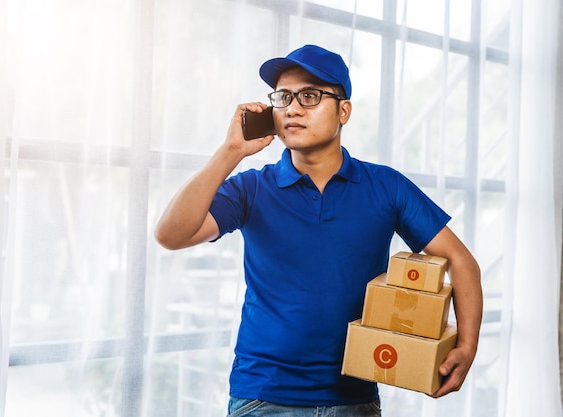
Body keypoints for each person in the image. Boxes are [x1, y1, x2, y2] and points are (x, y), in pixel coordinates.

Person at [155, 44, 482, 417]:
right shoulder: (251, 188)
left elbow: (459, 260)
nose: (292, 108)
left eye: (309, 96)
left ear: (344, 111)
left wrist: (467, 346)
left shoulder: (386, 187)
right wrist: (231, 151)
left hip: (354, 397)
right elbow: (171, 235)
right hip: (263, 398)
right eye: (283, 97)